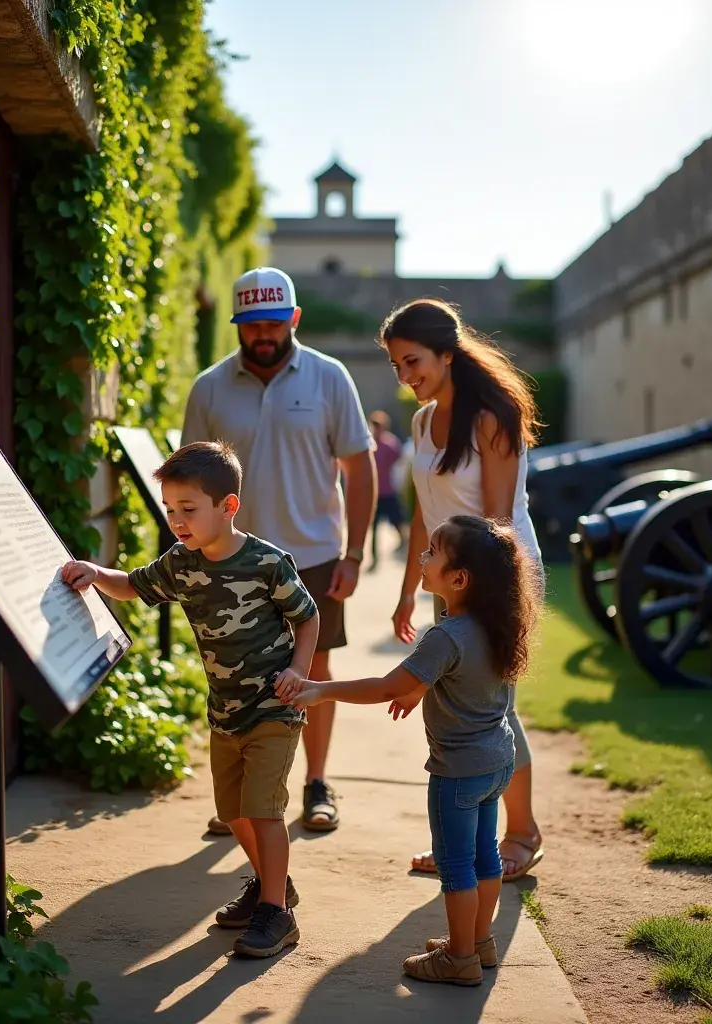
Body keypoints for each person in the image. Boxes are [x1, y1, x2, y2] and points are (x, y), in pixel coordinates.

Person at [60, 441, 320, 960]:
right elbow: (134, 585)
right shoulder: (181, 564)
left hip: (273, 707)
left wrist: (298, 671)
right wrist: (95, 573)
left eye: (188, 509)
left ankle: (277, 914)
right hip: (225, 713)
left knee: (264, 811)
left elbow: (308, 616)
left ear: (228, 507)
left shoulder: (267, 562)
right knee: (235, 813)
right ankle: (273, 885)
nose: (177, 520)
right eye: (170, 509)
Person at [276, 515, 542, 987]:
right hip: (497, 761)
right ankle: (479, 942)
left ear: (458, 579)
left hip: (458, 772)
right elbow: (459, 679)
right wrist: (420, 689)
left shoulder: (445, 635)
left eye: (432, 553)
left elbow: (385, 687)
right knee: (485, 858)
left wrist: (320, 690)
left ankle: (458, 957)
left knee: (457, 866)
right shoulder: (497, 624)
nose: (422, 557)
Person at [181, 266, 375, 835]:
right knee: (232, 675)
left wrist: (355, 552)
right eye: (250, 325)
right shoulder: (210, 387)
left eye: (272, 322)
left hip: (313, 553)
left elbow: (359, 468)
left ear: (292, 319)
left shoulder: (329, 378)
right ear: (237, 325)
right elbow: (189, 477)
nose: (262, 334)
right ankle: (240, 801)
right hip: (231, 558)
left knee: (313, 669)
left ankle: (317, 785)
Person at [380, 297, 547, 883]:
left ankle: (521, 834)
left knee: (493, 711)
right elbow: (427, 518)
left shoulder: (493, 416)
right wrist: (408, 592)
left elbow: (498, 527)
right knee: (452, 712)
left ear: (448, 354)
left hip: (500, 578)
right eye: (397, 366)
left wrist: (477, 603)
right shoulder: (424, 422)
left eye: (413, 362)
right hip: (447, 580)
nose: (405, 377)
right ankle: (463, 849)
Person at [367, 410, 408, 569]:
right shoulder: (369, 445)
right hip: (374, 493)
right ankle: (374, 558)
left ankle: (404, 545)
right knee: (374, 527)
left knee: (398, 521)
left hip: (388, 491)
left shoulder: (391, 444)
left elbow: (400, 462)